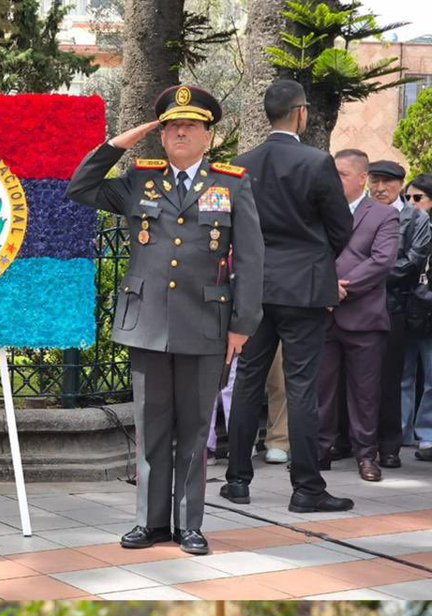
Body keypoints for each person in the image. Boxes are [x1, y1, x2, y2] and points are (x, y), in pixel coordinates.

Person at [68, 84, 264, 556]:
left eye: (191, 126)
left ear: (207, 136)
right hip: (149, 321)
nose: (180, 132)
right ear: (161, 135)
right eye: (172, 126)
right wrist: (120, 143)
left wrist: (243, 324)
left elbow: (253, 260)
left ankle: (189, 525)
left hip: (206, 323)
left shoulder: (231, 183)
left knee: (196, 428)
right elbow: (80, 187)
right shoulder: (140, 180)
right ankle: (150, 523)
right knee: (150, 426)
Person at [220, 79, 355, 514]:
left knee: (247, 382)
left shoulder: (242, 163)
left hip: (255, 287)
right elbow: (341, 229)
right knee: (301, 387)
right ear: (301, 113)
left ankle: (237, 480)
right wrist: (316, 261)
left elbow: (230, 230)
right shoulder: (317, 162)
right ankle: (306, 488)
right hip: (304, 289)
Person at [317, 149, 398, 480]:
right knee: (321, 390)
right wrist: (323, 286)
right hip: (323, 314)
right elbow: (308, 252)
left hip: (363, 317)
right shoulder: (320, 212)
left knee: (365, 393)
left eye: (342, 174)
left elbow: (383, 261)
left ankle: (367, 455)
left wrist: (342, 287)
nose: (335, 181)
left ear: (362, 179)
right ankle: (319, 452)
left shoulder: (382, 215)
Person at [368, 160, 431, 469]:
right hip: (359, 305)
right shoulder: (359, 212)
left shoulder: (415, 219)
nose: (380, 188)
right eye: (375, 181)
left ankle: (391, 443)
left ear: (400, 186)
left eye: (388, 183)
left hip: (396, 306)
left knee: (394, 378)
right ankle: (351, 440)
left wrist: (370, 273)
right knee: (356, 378)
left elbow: (413, 262)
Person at [401, 173, 432, 460]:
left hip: (428, 312)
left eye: (418, 197)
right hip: (405, 308)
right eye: (407, 197)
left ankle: (427, 434)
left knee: (431, 378)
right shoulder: (402, 224)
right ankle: (402, 432)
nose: (411, 203)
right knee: (403, 375)